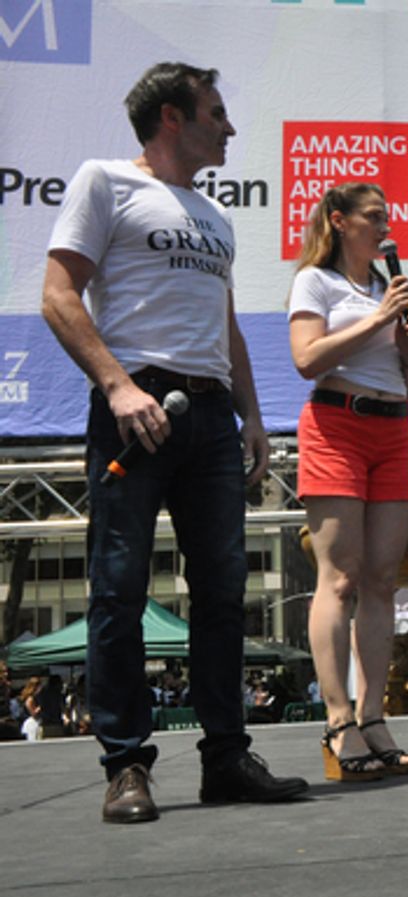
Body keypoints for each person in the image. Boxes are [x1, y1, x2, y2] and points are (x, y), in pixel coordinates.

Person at [40, 62, 309, 823]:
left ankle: (226, 757)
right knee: (118, 589)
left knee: (224, 591)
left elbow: (225, 325)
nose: (229, 128)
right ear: (171, 117)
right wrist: (119, 387)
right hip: (136, 409)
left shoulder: (215, 214)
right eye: (216, 113)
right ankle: (126, 764)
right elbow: (58, 296)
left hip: (212, 415)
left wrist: (252, 415)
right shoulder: (105, 181)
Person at [288, 181, 408, 781]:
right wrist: (379, 319)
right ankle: (338, 719)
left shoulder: (385, 289)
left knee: (383, 580)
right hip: (336, 426)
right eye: (374, 217)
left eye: (387, 217)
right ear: (340, 221)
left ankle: (374, 716)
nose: (385, 227)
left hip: (394, 429)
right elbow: (306, 359)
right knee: (339, 579)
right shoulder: (315, 281)